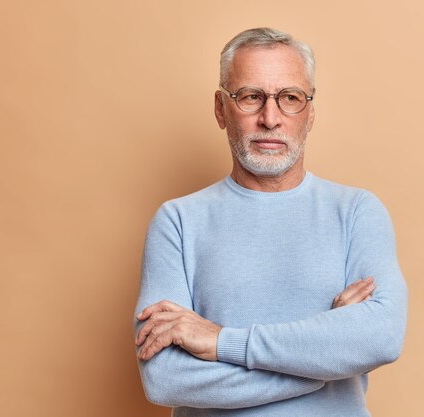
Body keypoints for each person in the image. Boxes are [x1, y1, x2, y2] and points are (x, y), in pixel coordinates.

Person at [134, 27, 408, 417]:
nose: (270, 118)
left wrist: (221, 342)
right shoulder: (177, 221)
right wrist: (324, 366)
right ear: (220, 109)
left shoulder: (357, 211)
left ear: (310, 113)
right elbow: (165, 379)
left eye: (290, 98)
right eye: (250, 97)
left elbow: (381, 338)